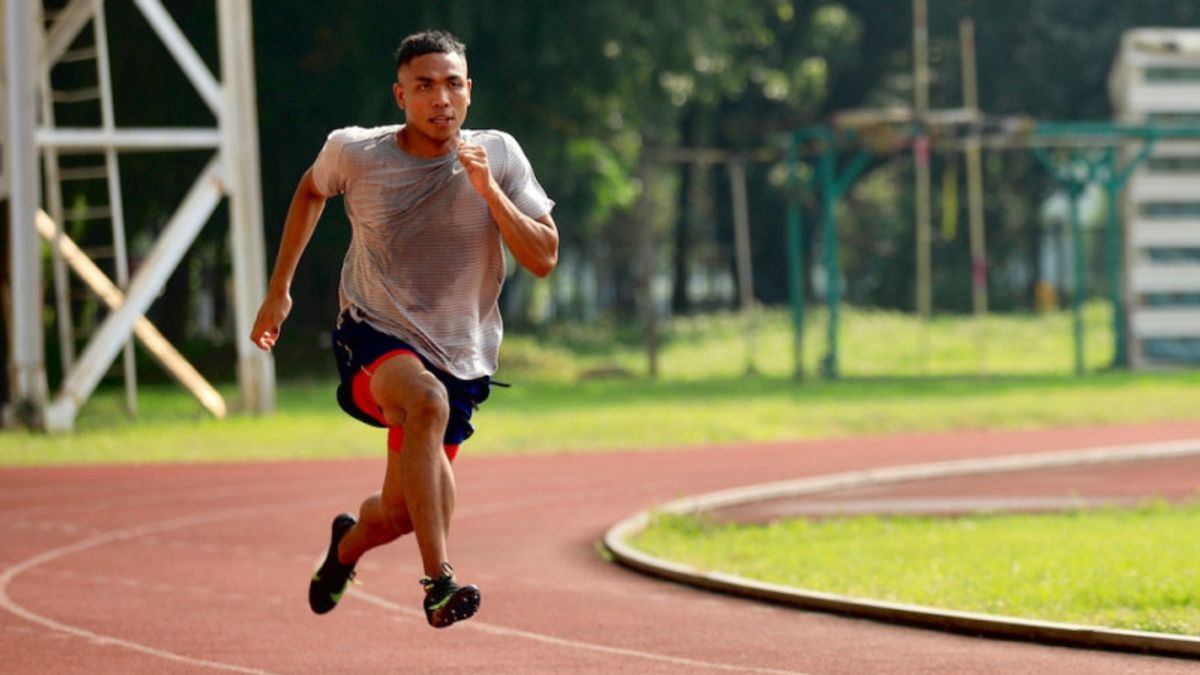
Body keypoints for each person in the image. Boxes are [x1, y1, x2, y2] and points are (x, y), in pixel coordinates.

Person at [249, 29, 558, 628]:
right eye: (424, 86)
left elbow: (544, 258)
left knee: (399, 513)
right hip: (373, 333)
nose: (440, 98)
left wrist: (489, 189)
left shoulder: (498, 154)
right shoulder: (357, 153)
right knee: (424, 400)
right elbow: (311, 190)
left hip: (462, 353)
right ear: (401, 96)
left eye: (452, 85)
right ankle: (439, 583)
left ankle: (344, 549)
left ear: (469, 92)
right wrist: (278, 291)